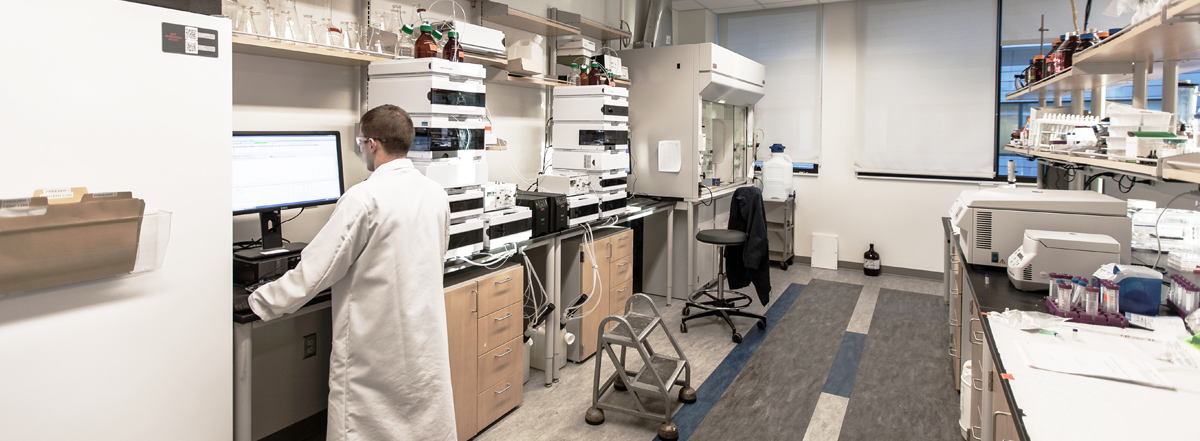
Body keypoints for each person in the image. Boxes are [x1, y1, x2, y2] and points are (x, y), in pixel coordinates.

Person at [234, 105, 456, 441]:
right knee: (422, 422)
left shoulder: (363, 198)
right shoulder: (435, 193)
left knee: (366, 425)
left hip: (377, 347)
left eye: (361, 142)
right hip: (422, 338)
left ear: (373, 144)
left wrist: (259, 301)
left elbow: (315, 272)